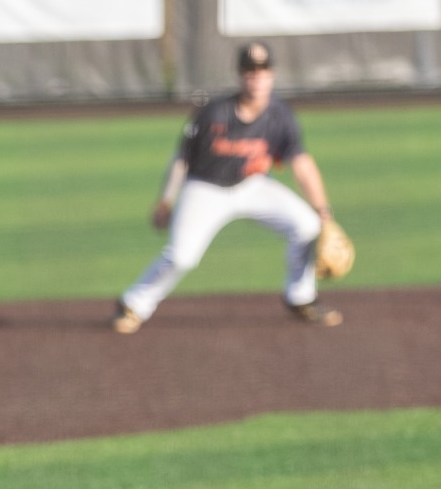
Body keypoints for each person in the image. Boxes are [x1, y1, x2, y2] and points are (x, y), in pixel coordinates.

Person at [112, 41, 344, 332]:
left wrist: (323, 211)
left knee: (307, 225)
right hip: (206, 188)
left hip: (252, 186)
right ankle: (134, 303)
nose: (256, 76)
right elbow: (182, 158)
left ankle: (301, 297)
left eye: (262, 69)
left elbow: (301, 163)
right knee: (182, 256)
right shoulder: (214, 112)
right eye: (250, 70)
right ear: (240, 74)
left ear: (271, 74)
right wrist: (166, 199)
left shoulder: (281, 115)